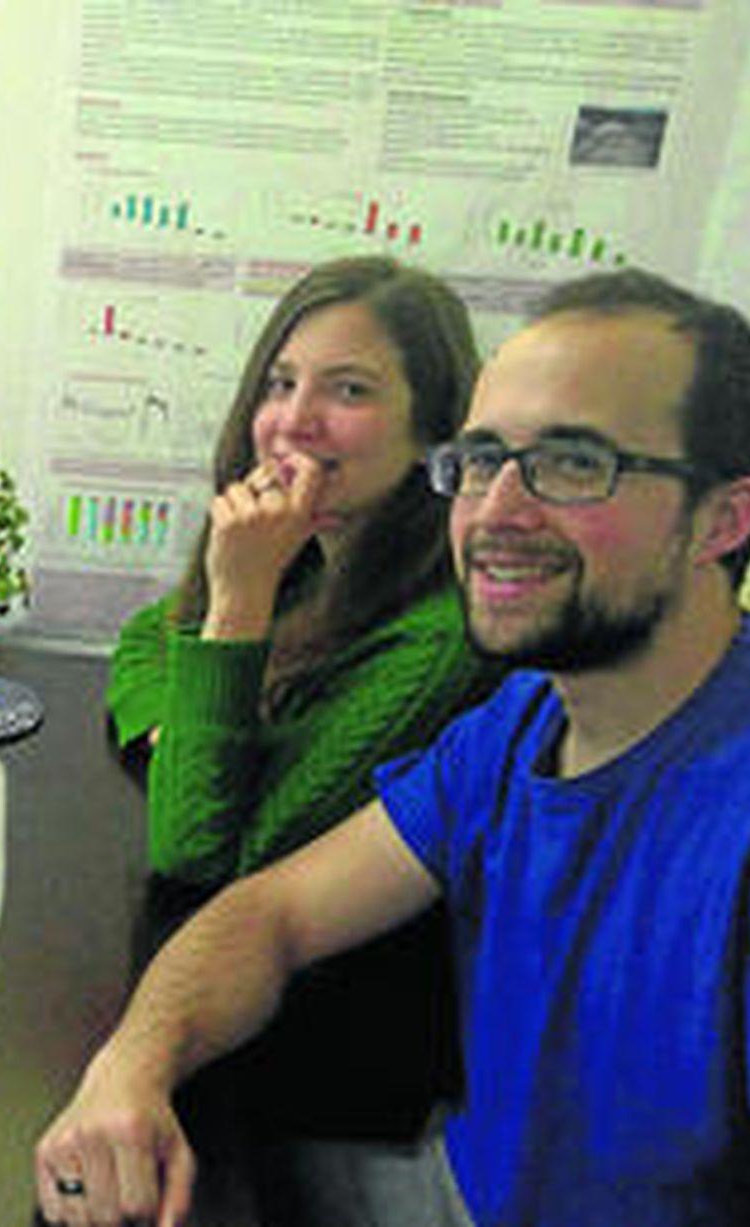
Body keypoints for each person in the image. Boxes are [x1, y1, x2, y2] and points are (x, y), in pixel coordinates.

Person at [35, 267, 750, 1227]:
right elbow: (272, 911)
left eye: (576, 462)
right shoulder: (519, 726)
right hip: (450, 1181)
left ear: (726, 517)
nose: (498, 509)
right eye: (483, 458)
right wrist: (129, 1066)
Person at [107, 257, 502, 1168]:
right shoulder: (317, 550)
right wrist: (180, 724)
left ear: (432, 434)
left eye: (350, 389)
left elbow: (203, 854)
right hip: (249, 1005)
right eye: (281, 383)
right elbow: (143, 639)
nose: (294, 419)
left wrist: (237, 603)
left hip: (328, 1068)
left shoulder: (435, 638)